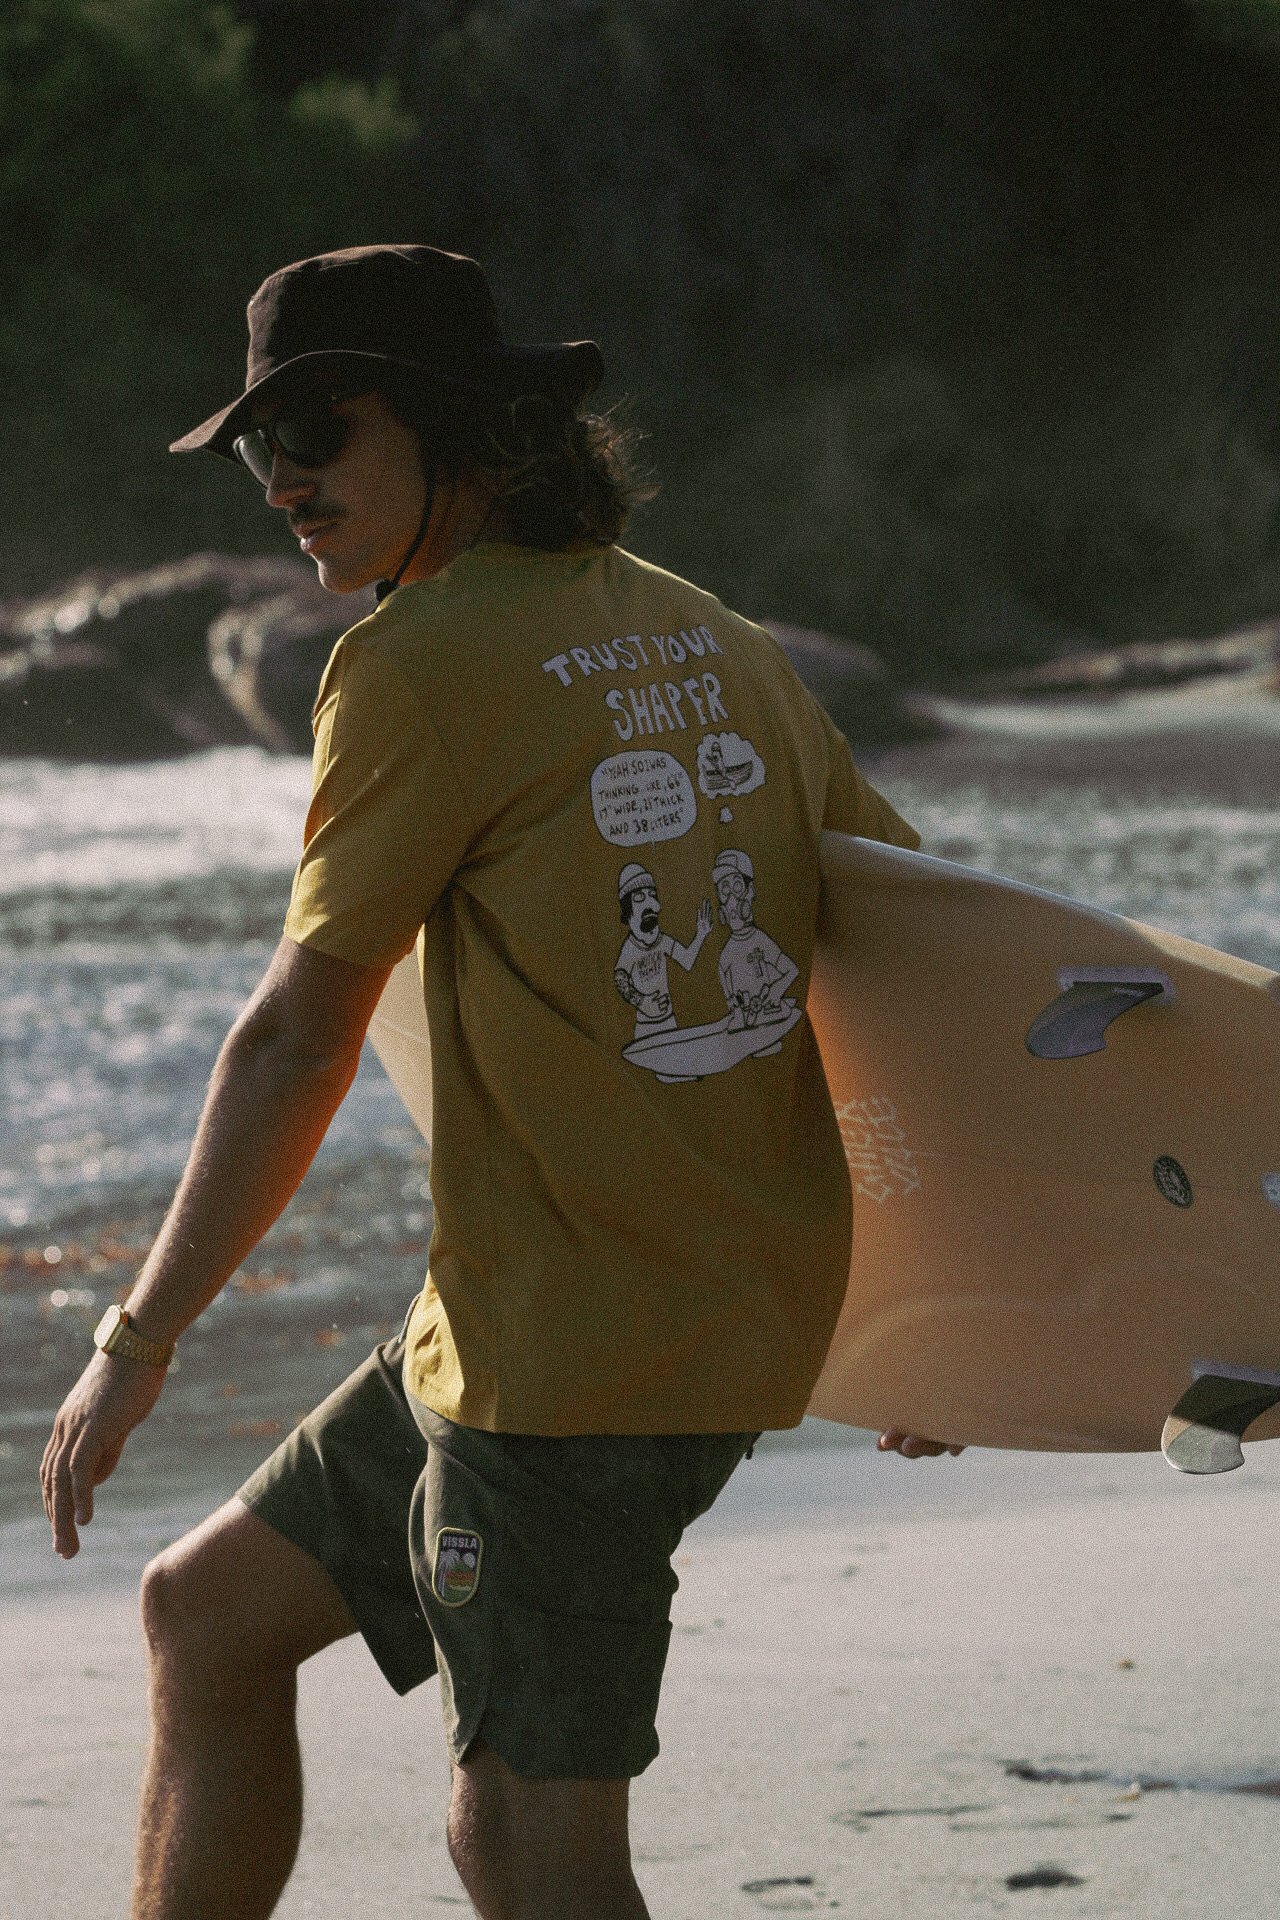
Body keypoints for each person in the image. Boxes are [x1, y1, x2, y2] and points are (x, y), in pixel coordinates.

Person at [39, 243, 960, 1920]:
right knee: (209, 1615)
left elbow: (299, 1035)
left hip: (572, 1377)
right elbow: (919, 961)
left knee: (529, 1853)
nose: (286, 479)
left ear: (464, 426)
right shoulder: (719, 641)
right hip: (548, 1318)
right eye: (257, 447)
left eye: (319, 425)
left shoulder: (416, 664)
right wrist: (936, 1299)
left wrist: (139, 1337)